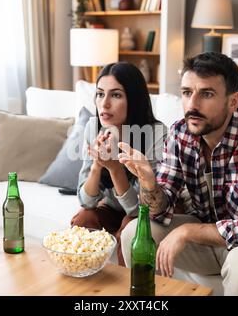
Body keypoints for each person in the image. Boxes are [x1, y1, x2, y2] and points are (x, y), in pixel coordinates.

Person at [118, 52, 238, 295]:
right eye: (187, 92)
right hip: (211, 235)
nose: (192, 105)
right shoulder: (180, 133)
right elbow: (159, 210)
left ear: (233, 101)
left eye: (206, 94)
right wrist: (149, 184)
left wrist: (188, 231)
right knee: (133, 234)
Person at [71, 62, 167, 266]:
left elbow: (138, 210)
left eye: (115, 95)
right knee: (83, 220)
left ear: (134, 100)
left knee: (130, 228)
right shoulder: (93, 127)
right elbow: (85, 201)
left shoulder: (156, 134)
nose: (104, 104)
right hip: (111, 208)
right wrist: (98, 165)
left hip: (142, 211)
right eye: (99, 94)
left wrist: (114, 168)